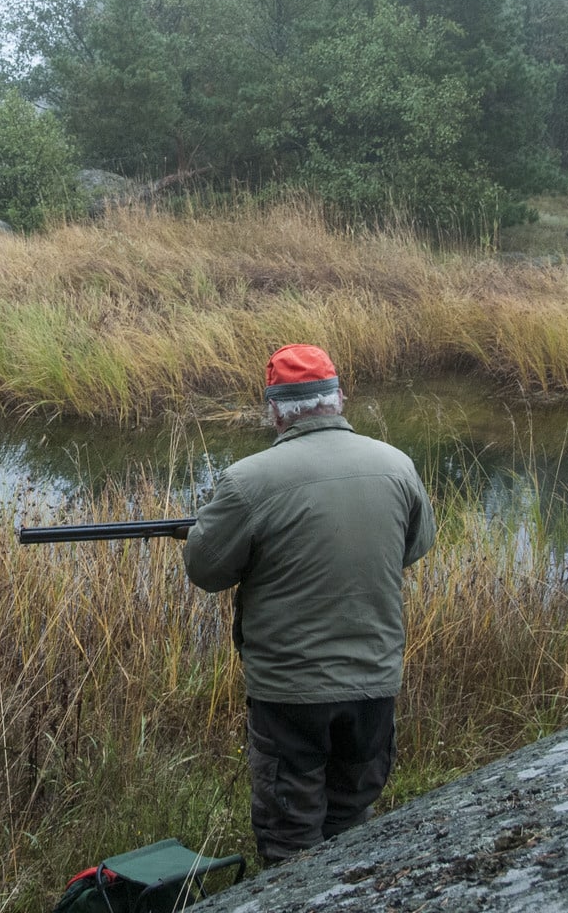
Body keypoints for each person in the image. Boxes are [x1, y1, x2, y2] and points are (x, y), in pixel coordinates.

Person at [182, 343, 436, 866]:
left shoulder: (247, 480)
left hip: (290, 695)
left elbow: (206, 571)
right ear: (338, 398)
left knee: (290, 840)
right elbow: (412, 548)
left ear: (273, 408)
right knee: (351, 824)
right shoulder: (398, 465)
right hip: (374, 685)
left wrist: (203, 533)